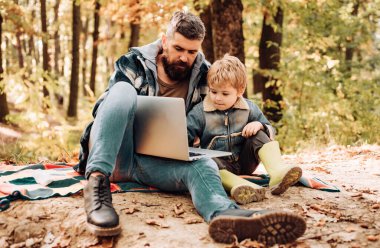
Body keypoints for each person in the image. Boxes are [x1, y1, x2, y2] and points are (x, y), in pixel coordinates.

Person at [78, 11, 306, 245]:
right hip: (116, 152)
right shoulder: (133, 63)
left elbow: (224, 111)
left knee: (203, 164)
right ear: (165, 41)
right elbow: (105, 112)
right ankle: (97, 187)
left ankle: (225, 215)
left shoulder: (204, 75)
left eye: (191, 52)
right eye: (178, 48)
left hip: (151, 163)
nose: (185, 58)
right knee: (122, 91)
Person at [187, 54, 303, 205]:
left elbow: (270, 130)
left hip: (245, 162)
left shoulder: (249, 108)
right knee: (207, 161)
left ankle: (277, 173)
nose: (217, 98)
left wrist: (260, 125)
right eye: (213, 92)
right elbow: (185, 134)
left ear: (240, 91)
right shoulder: (199, 112)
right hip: (220, 166)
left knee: (259, 134)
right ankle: (242, 186)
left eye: (225, 93)